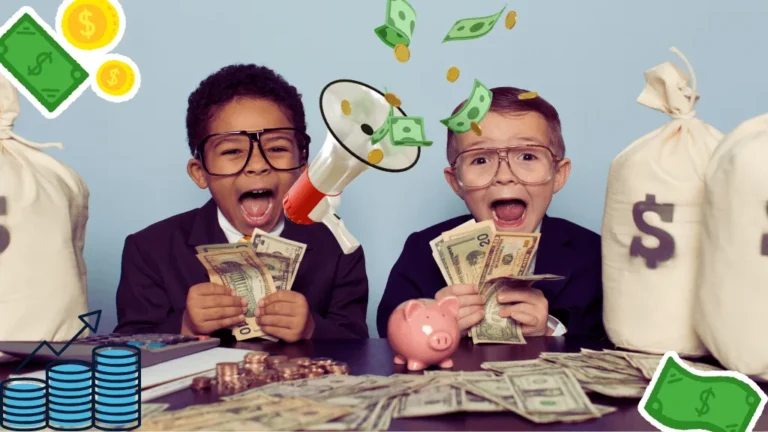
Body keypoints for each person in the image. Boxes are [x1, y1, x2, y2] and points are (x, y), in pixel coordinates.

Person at [114, 64, 369, 342]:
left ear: (302, 163)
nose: (257, 165)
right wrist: (184, 326)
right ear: (200, 172)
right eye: (232, 150)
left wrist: (312, 329)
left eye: (277, 148)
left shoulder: (340, 250)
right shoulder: (150, 251)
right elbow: (127, 348)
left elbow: (359, 348)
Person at [377, 87, 605, 340]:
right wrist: (430, 324)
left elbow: (611, 346)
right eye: (481, 160)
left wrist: (550, 331)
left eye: (527, 156)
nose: (504, 176)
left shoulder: (595, 254)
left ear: (558, 175)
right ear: (456, 182)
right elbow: (387, 333)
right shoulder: (422, 251)